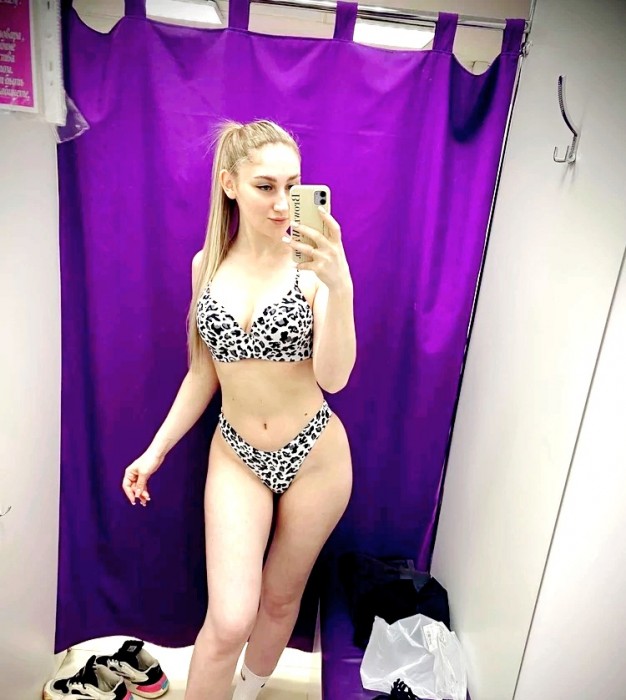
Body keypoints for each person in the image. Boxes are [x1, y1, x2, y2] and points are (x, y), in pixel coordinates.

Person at [122, 119, 356, 700]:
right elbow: (203, 373)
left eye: (292, 186)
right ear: (230, 184)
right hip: (236, 453)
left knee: (280, 598)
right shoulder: (206, 265)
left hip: (316, 455)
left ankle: (247, 691)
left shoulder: (313, 267)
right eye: (265, 186)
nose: (281, 203)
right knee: (229, 619)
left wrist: (340, 287)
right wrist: (155, 452)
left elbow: (334, 378)